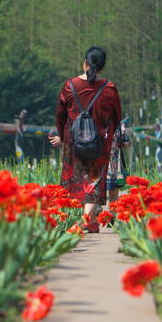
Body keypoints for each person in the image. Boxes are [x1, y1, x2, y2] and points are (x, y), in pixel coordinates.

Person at [49, 46, 122, 233]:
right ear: (103, 67)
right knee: (94, 179)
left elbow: (60, 114)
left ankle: (88, 220)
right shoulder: (110, 89)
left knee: (81, 179)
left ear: (84, 63)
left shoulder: (70, 85)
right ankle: (89, 219)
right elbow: (117, 116)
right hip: (100, 143)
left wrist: (62, 135)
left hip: (75, 143)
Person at [106, 119, 131, 208]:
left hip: (95, 164)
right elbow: (126, 143)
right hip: (113, 164)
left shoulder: (92, 120)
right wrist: (123, 131)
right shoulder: (115, 123)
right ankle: (111, 218)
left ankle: (96, 213)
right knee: (113, 197)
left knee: (94, 195)